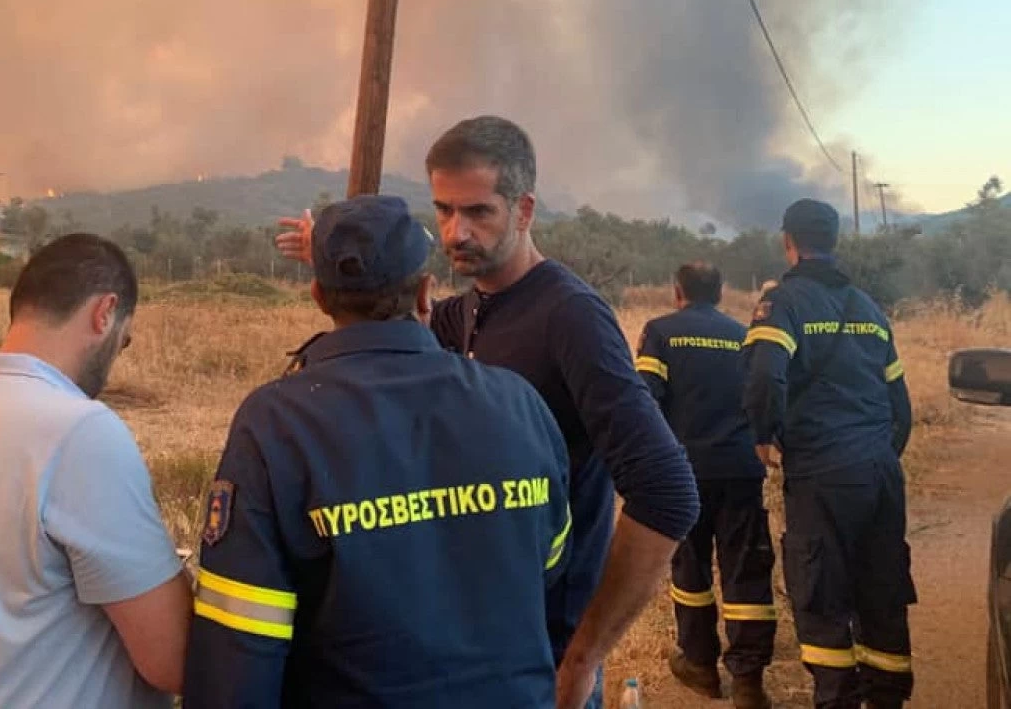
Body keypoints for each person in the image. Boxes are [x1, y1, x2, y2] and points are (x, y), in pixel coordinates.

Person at [277, 117, 698, 709]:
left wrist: (584, 655)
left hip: (547, 652)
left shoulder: (570, 317)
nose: (457, 232)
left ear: (524, 210)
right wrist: (340, 258)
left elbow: (667, 491)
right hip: (477, 645)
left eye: (478, 212)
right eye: (444, 210)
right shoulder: (469, 310)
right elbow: (393, 320)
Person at [184, 194, 572, 707]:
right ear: (425, 292)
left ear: (320, 296)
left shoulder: (276, 422)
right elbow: (549, 564)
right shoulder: (517, 402)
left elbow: (240, 645)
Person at [0, 233, 191, 709]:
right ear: (105, 312)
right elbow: (175, 660)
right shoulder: (81, 433)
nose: (116, 360)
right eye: (124, 341)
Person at [740, 199, 914, 709]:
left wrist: (763, 435)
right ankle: (887, 698)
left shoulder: (782, 304)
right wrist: (878, 454)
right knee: (882, 588)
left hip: (823, 474)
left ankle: (836, 699)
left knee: (821, 592)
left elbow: (764, 376)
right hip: (880, 472)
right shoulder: (869, 307)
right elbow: (900, 407)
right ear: (835, 240)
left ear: (788, 243)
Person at [636, 262, 776, 709]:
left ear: (678, 291)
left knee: (690, 570)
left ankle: (699, 665)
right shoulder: (744, 335)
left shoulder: (661, 332)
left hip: (686, 472)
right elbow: (763, 394)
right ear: (719, 292)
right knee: (746, 570)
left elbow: (644, 398)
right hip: (741, 471)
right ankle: (749, 682)